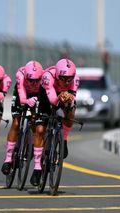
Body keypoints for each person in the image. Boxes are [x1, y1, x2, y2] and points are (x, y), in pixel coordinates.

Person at [30, 58, 79, 186]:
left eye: (69, 79)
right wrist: (60, 97)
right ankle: (36, 168)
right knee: (40, 129)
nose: (66, 81)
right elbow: (52, 100)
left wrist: (69, 100)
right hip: (47, 95)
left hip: (63, 95)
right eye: (63, 78)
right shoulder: (48, 76)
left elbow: (73, 99)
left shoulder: (75, 80)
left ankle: (64, 140)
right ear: (57, 74)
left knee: (71, 111)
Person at [1, 60, 44, 175]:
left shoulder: (44, 78)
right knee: (16, 122)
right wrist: (25, 101)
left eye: (37, 80)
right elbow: (21, 94)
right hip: (22, 94)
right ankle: (8, 158)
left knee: (35, 121)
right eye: (30, 80)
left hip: (37, 95)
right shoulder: (20, 75)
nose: (34, 83)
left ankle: (29, 144)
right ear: (26, 77)